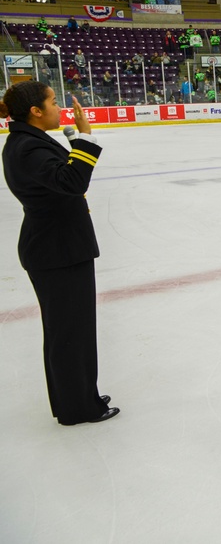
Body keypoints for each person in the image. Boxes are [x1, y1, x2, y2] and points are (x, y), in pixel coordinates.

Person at [0, 82, 119, 425]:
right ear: (36, 111)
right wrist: (85, 138)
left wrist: (72, 136)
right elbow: (71, 181)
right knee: (69, 332)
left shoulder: (28, 140)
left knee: (67, 330)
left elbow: (58, 175)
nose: (58, 106)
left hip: (58, 246)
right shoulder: (26, 147)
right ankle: (77, 407)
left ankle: (78, 395)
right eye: (53, 102)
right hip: (58, 250)